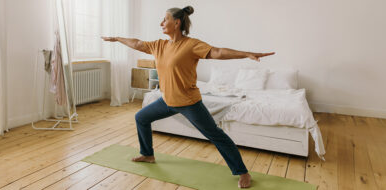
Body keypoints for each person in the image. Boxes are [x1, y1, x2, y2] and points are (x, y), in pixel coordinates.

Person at [101, 5, 275, 189]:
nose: (161, 23)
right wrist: (117, 39)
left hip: (189, 103)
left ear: (176, 23)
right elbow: (137, 43)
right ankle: (148, 154)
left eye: (165, 19)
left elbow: (218, 52)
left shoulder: (191, 45)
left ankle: (243, 172)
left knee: (216, 136)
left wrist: (246, 54)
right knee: (141, 117)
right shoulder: (159, 45)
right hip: (167, 101)